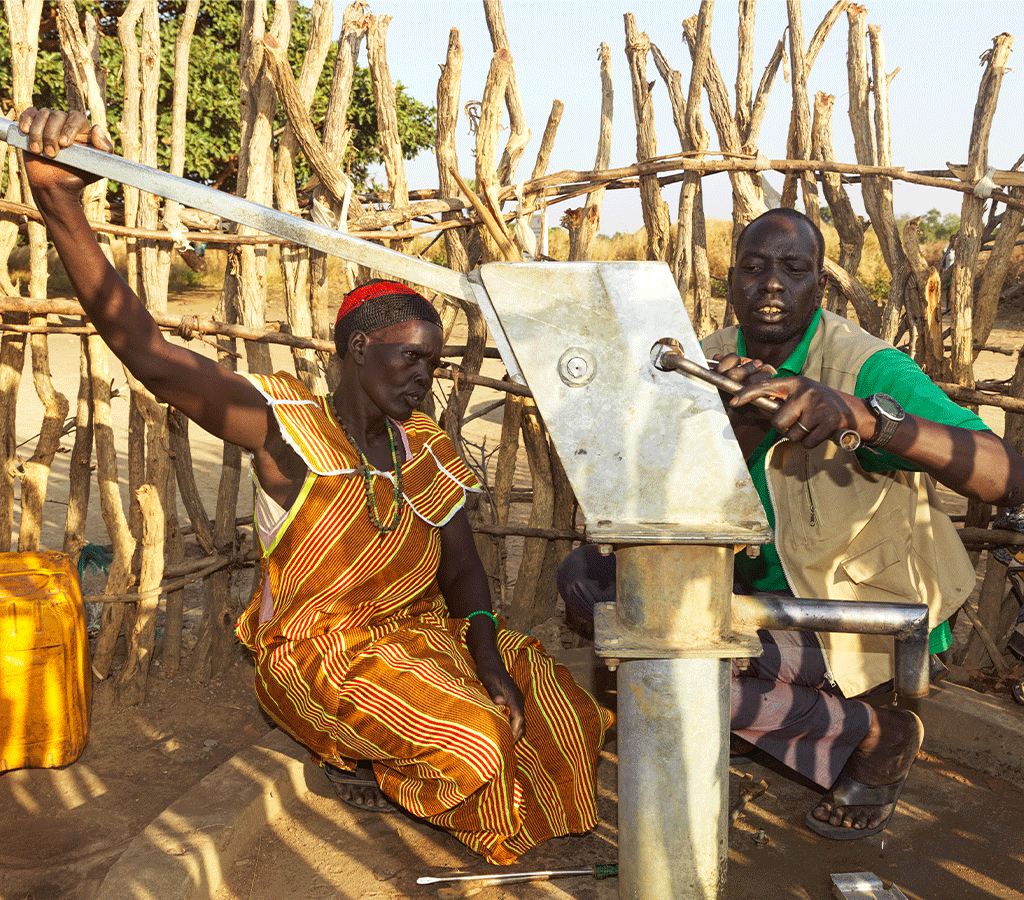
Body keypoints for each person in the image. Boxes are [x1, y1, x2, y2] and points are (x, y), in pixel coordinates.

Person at [20, 107, 612, 866]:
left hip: (418, 641)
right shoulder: (285, 428)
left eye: (434, 364)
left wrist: (487, 654)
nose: (426, 377)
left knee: (562, 710)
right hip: (320, 656)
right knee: (477, 741)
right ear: (360, 349)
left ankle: (418, 730)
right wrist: (62, 203)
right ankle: (357, 753)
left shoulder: (423, 447)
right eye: (412, 359)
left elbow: (462, 567)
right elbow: (151, 354)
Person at [559, 207, 1024, 840]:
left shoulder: (868, 368)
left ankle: (875, 733)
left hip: (857, 608)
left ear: (820, 286)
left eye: (793, 269)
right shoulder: (708, 359)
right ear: (731, 280)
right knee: (589, 580)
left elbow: (1005, 476)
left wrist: (865, 418)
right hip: (755, 597)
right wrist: (736, 427)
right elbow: (648, 482)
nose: (771, 284)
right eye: (753, 268)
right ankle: (784, 715)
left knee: (674, 676)